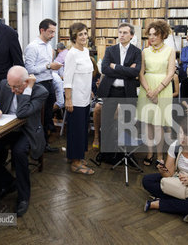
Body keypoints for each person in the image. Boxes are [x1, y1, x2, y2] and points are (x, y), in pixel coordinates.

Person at [0, 66, 48, 217]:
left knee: (19, 152)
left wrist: (28, 90)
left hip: (27, 130)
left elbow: (22, 113)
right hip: (7, 129)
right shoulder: (4, 84)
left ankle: (24, 197)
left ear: (26, 82)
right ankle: (7, 182)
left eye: (16, 87)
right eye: (10, 86)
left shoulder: (40, 92)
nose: (11, 90)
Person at [142, 118, 188, 223]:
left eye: (187, 134)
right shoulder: (175, 146)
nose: (182, 137)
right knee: (147, 180)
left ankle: (159, 204)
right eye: (181, 132)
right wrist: (162, 171)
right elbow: (169, 175)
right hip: (177, 180)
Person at [98, 22, 142, 151]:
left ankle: (127, 153)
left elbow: (135, 72)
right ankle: (107, 152)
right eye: (120, 32)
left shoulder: (137, 52)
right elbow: (104, 69)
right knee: (106, 123)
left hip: (127, 91)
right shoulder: (110, 50)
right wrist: (127, 71)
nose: (121, 35)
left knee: (129, 123)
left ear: (132, 35)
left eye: (125, 33)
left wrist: (116, 67)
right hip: (110, 91)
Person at [137, 20, 176, 165]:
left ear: (163, 34)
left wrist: (157, 91)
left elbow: (171, 73)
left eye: (155, 34)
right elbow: (141, 73)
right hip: (146, 87)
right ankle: (149, 153)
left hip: (163, 88)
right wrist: (149, 91)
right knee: (147, 123)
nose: (152, 37)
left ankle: (160, 156)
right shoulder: (144, 52)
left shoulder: (170, 51)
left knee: (159, 124)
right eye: (150, 34)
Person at [24, 19, 62, 153]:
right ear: (42, 30)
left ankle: (44, 145)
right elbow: (29, 69)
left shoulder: (48, 46)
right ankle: (35, 146)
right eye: (50, 32)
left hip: (49, 82)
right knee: (38, 117)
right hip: (38, 85)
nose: (53, 35)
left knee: (47, 115)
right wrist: (48, 66)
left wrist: (53, 68)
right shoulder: (33, 46)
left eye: (54, 32)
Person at [64, 22, 95, 175]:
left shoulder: (85, 51)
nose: (84, 37)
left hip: (85, 98)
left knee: (83, 130)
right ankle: (75, 163)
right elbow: (67, 79)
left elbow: (87, 74)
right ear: (74, 37)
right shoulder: (71, 54)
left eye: (85, 33)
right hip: (75, 99)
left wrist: (89, 91)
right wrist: (68, 99)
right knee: (76, 131)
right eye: (80, 34)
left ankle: (77, 156)